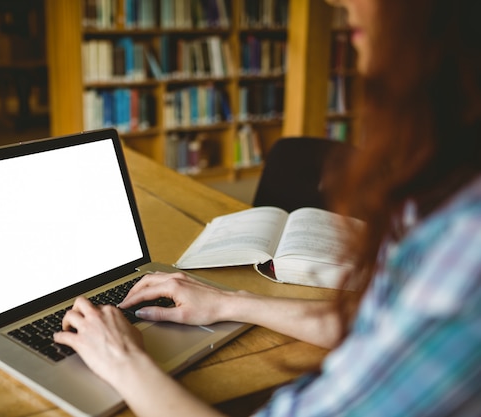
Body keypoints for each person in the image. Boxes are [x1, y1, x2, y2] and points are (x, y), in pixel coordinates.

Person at [54, 0, 481, 415]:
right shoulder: (448, 189)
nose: (334, 2)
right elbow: (378, 325)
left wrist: (122, 361)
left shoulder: (464, 255)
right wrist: (231, 303)